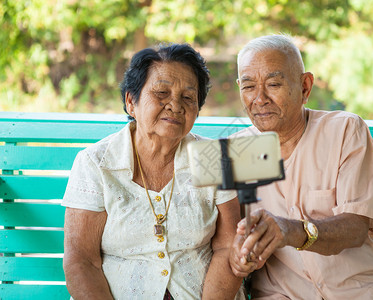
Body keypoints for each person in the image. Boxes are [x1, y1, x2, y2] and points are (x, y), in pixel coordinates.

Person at [229, 34, 373, 299]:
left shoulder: (344, 131)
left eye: (273, 83)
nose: (259, 98)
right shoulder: (238, 152)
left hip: (360, 290)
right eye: (248, 86)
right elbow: (227, 242)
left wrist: (292, 231)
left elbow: (356, 227)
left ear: (304, 87)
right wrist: (239, 257)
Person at [62, 43, 244, 300]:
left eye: (188, 98)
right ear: (131, 102)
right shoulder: (96, 163)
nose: (175, 105)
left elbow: (227, 247)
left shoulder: (213, 158)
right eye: (161, 92)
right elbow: (81, 261)